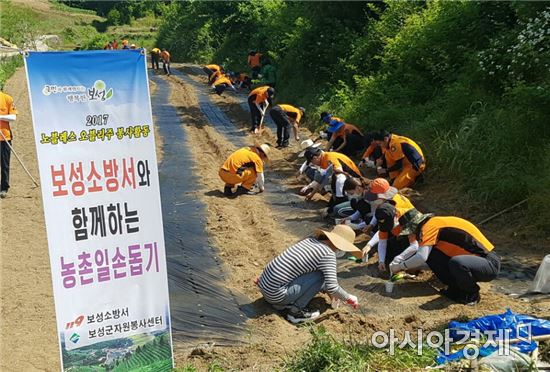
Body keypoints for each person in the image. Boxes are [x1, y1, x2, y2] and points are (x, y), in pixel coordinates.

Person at [386, 206, 500, 305]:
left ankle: (472, 294)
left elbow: (421, 257)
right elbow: (429, 259)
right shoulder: (431, 226)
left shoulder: (429, 227)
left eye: (410, 233)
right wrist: (414, 266)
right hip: (473, 261)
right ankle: (455, 288)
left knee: (457, 263)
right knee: (434, 255)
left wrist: (400, 266)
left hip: (488, 263)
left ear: (415, 227)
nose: (410, 236)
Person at [257, 225, 360, 324]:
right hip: (276, 295)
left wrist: (333, 294)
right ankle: (295, 313)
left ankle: (283, 303)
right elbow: (332, 286)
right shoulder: (328, 254)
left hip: (265, 287)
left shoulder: (310, 240)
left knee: (317, 273)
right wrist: (349, 298)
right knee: (321, 275)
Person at [356, 179, 418, 271]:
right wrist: (372, 225)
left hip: (410, 230)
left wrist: (369, 245)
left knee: (399, 253)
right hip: (398, 228)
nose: (372, 201)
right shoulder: (386, 203)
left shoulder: (396, 208)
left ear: (380, 197)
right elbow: (382, 225)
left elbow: (384, 228)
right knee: (388, 250)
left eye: (374, 198)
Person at [303, 147, 362, 214]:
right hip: (347, 181)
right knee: (332, 181)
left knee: (337, 208)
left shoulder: (329, 159)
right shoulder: (323, 159)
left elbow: (340, 177)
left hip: (356, 184)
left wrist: (339, 198)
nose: (313, 164)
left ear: (315, 158)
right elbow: (322, 179)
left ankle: (343, 203)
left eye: (311, 162)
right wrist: (312, 194)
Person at [0, 86, 18, 199]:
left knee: (4, 164)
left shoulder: (7, 98)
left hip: (4, 138)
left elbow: (13, 117)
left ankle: (4, 187)